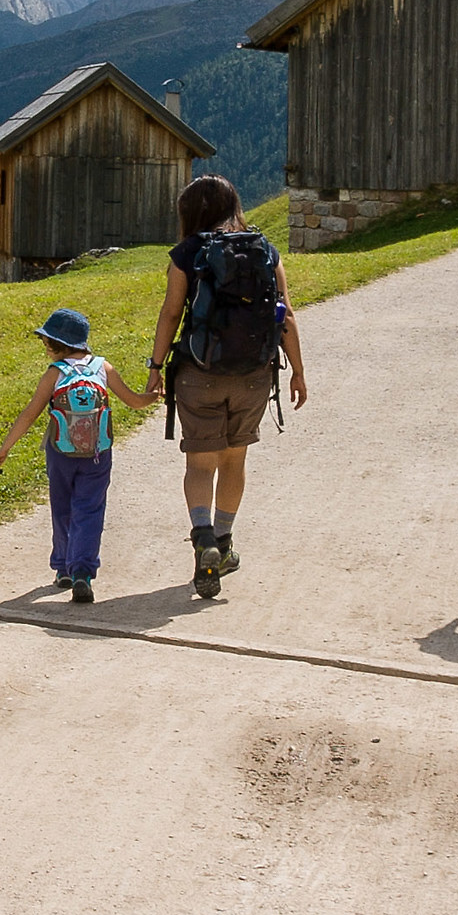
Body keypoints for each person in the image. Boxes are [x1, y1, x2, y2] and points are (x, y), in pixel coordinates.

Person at [143, 176, 308, 600]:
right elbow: (285, 315)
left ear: (190, 212)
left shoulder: (187, 253)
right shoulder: (265, 250)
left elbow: (170, 313)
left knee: (201, 465)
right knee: (234, 460)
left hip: (199, 373)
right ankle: (225, 541)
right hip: (253, 374)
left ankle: (203, 541)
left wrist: (156, 367)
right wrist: (298, 371)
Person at [0, 307, 155, 604]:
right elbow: (134, 402)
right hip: (97, 453)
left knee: (62, 507)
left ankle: (63, 568)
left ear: (56, 343)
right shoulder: (103, 367)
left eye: (46, 341)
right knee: (90, 509)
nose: (45, 346)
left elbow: (30, 413)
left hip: (60, 452)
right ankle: (82, 573)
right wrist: (155, 395)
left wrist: (5, 448)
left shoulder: (55, 373)